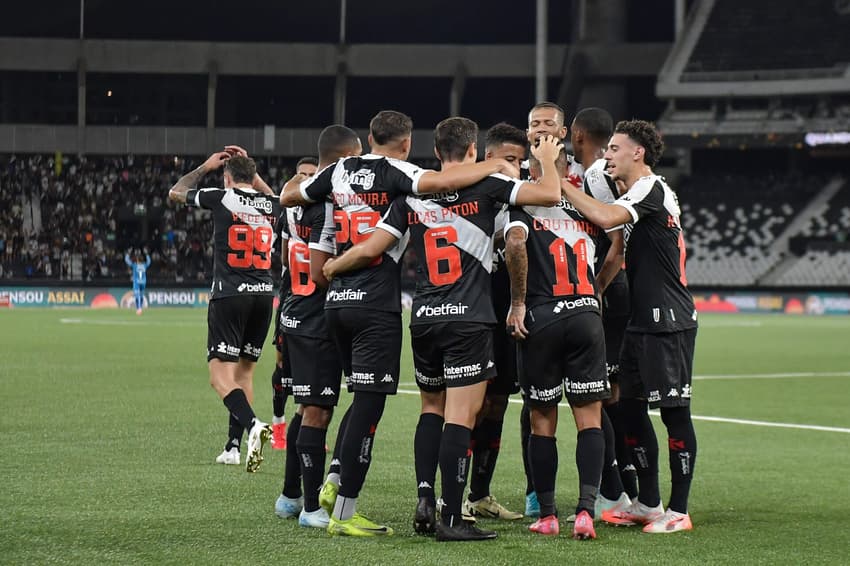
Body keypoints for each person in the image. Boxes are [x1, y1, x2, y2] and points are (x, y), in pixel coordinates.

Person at [280, 110, 520, 537]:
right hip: (378, 303)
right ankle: (344, 508)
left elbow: (288, 198)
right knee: (372, 403)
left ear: (368, 136)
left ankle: (332, 480)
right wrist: (496, 165)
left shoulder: (335, 172)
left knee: (358, 399)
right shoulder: (400, 175)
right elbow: (444, 183)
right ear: (407, 146)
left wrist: (333, 267)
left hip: (336, 304)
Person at [323, 119, 563, 541]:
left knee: (430, 409)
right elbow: (549, 194)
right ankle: (452, 518)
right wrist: (543, 160)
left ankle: (425, 496)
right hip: (468, 318)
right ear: (473, 150)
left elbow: (374, 247)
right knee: (461, 415)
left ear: (436, 152)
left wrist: (333, 265)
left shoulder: (413, 194)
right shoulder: (489, 186)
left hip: (424, 318)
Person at [558, 119, 698, 534]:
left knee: (674, 414)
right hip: (640, 320)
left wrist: (560, 183)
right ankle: (649, 503)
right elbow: (618, 250)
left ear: (638, 153)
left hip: (669, 319)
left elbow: (604, 216)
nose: (607, 155)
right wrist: (595, 291)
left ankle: (679, 510)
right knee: (630, 411)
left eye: (615, 149)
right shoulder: (633, 193)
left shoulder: (651, 188)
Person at [504, 149, 611, 540]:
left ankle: (547, 513)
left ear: (534, 173)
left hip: (542, 317)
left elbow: (515, 245)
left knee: (542, 420)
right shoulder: (588, 209)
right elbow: (617, 246)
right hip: (585, 314)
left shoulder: (523, 206)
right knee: (589, 419)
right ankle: (585, 511)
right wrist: (596, 291)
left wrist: (517, 302)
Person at [168, 147, 279, 473]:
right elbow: (276, 200)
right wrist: (256, 178)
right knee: (244, 375)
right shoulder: (272, 205)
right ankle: (232, 447)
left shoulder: (221, 196)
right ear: (253, 177)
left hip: (230, 295)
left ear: (227, 178)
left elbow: (176, 193)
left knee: (219, 378)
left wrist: (205, 166)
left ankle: (253, 426)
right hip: (263, 296)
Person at [274, 127, 362, 529]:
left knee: (304, 408)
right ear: (344, 158)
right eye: (356, 159)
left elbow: (287, 191)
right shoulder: (327, 201)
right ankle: (311, 507)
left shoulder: (297, 197)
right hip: (314, 317)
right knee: (317, 412)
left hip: (293, 313)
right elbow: (320, 270)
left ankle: (290, 496)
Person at [461, 123, 528, 522]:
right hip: (471, 312)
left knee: (498, 402)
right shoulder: (468, 192)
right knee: (468, 406)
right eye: (509, 159)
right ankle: (449, 494)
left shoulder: (515, 200)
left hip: (502, 310)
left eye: (520, 161)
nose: (516, 167)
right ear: (487, 158)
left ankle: (480, 493)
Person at [271, 157, 319, 452]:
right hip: (292, 297)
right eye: (300, 174)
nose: (305, 179)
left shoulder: (327, 210)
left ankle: (308, 423)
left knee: (314, 367)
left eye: (311, 175)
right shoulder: (287, 213)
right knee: (281, 366)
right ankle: (278, 423)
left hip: (318, 300)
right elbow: (283, 258)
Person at [124, 248, 151, 315]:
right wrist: (147, 254)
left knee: (137, 295)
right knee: (141, 295)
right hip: (143, 282)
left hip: (137, 282)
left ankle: (138, 309)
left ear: (137, 260)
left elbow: (127, 260)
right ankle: (140, 308)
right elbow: (149, 262)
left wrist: (128, 253)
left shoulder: (135, 265)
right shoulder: (144, 265)